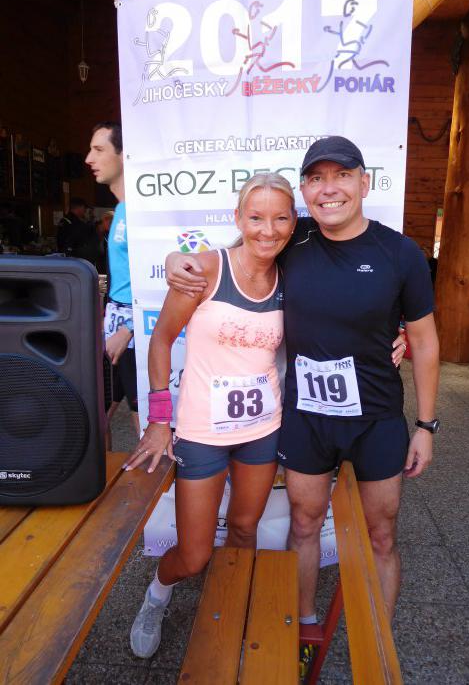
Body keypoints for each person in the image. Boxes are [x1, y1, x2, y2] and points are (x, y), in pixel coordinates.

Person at [125, 172, 409, 659]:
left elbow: (348, 306)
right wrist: (157, 419)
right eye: (256, 217)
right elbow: (161, 340)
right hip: (202, 431)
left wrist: (398, 332)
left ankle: (229, 605)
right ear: (238, 218)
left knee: (243, 530)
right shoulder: (205, 270)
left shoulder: (291, 275)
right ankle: (157, 593)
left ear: (292, 224)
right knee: (193, 554)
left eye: (280, 219)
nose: (268, 229)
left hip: (262, 429)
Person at [166, 136, 440, 625]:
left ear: (365, 183)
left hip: (376, 417)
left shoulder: (401, 253)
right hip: (307, 417)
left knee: (382, 534)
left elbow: (425, 340)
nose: (328, 189)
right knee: (305, 523)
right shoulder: (292, 238)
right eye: (316, 178)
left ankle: (379, 643)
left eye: (342, 176)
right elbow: (236, 251)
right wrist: (176, 261)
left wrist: (425, 425)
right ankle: (302, 627)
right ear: (305, 191)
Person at [85, 123, 140, 443]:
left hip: (133, 332)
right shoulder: (120, 209)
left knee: (146, 424)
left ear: (123, 154)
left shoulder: (142, 210)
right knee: (98, 416)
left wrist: (130, 328)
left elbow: (159, 278)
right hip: (115, 324)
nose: (89, 159)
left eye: (99, 150)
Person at [56, 197, 98, 263]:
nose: (85, 210)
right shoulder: (74, 223)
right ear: (80, 207)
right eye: (85, 208)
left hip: (64, 257)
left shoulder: (64, 220)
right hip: (73, 259)